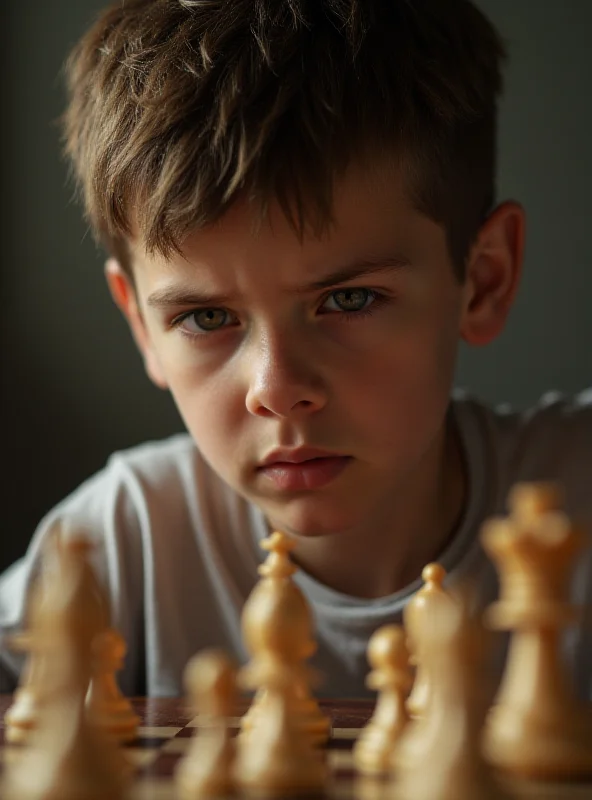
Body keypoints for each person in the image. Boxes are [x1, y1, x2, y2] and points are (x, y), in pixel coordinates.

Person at [0, 0, 590, 699]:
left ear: (484, 278)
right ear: (141, 326)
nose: (277, 388)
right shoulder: (123, 541)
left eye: (348, 300)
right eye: (207, 316)